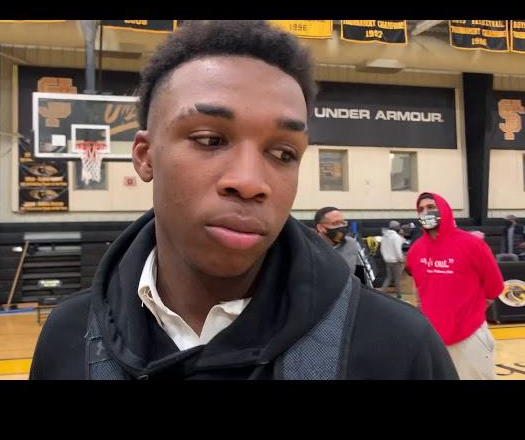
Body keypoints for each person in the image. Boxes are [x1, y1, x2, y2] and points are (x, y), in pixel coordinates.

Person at [30, 20, 457, 380]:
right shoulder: (67, 339)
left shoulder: (398, 348)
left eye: (282, 153)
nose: (250, 182)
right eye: (209, 139)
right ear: (145, 156)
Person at [406, 192, 504, 380]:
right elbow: (421, 289)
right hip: (432, 337)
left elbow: (494, 286)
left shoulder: (472, 244)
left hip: (470, 335)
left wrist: (470, 311)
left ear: (445, 210)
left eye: (431, 207)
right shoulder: (416, 250)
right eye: (421, 209)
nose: (426, 212)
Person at [314, 206, 362, 275]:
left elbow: (359, 272)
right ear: (321, 228)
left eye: (343, 223)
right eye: (335, 223)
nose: (341, 227)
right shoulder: (309, 247)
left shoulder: (351, 243)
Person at [380, 220, 406, 299]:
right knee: (397, 280)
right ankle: (399, 296)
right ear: (396, 227)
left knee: (389, 278)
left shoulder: (384, 236)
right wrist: (401, 259)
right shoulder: (396, 237)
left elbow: (382, 249)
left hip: (387, 260)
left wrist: (386, 257)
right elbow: (397, 250)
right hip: (396, 261)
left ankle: (381, 294)